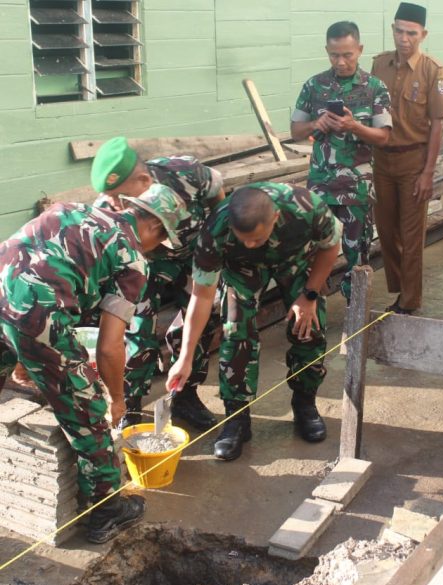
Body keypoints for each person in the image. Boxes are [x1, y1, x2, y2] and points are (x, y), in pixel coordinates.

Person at [0, 184, 187, 543]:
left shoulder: (69, 208)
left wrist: (24, 359)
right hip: (38, 317)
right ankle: (104, 512)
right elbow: (110, 347)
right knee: (91, 416)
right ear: (155, 229)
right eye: (159, 243)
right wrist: (115, 400)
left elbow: (28, 269)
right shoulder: (132, 259)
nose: (154, 250)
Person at [167, 182, 342, 461]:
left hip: (296, 258)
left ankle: (304, 403)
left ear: (274, 218)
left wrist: (309, 296)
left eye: (256, 239)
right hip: (241, 269)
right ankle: (237, 418)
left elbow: (330, 247)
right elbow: (201, 298)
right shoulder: (216, 230)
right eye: (243, 238)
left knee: (310, 329)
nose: (250, 243)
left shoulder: (306, 207)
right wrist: (185, 358)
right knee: (235, 332)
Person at [90, 137, 225, 430]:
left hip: (193, 257)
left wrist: (217, 242)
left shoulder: (186, 173)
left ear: (144, 179)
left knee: (201, 324)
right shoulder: (106, 209)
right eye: (108, 196)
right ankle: (131, 406)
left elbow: (218, 200)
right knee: (136, 332)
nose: (114, 204)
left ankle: (185, 396)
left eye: (119, 196)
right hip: (143, 267)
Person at [291, 21, 391, 302]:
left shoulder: (375, 88)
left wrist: (354, 127)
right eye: (334, 55)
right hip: (321, 189)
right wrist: (317, 123)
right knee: (312, 255)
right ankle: (312, 312)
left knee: (357, 259)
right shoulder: (314, 86)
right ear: (327, 51)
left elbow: (383, 137)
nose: (341, 61)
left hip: (356, 190)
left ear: (359, 50)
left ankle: (355, 321)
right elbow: (295, 131)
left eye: (348, 54)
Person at [371, 2, 443, 314]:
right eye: (399, 31)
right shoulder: (379, 65)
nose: (404, 38)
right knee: (386, 231)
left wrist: (429, 172)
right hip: (382, 161)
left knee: (412, 233)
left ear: (423, 34)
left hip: (413, 162)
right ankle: (400, 289)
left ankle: (410, 298)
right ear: (393, 30)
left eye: (411, 33)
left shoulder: (433, 71)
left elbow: (438, 125)